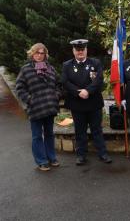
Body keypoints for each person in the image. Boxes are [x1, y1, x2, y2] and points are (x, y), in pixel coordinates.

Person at [61, 39, 112, 165]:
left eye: (82, 50)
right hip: (77, 103)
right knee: (80, 131)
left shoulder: (95, 63)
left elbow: (99, 80)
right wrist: (78, 92)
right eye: (77, 50)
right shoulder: (67, 65)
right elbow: (65, 82)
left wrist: (87, 91)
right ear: (73, 51)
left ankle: (103, 153)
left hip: (93, 103)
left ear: (86, 50)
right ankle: (81, 155)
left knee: (97, 130)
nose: (80, 52)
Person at [16, 43, 62, 171]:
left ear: (45, 55)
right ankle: (41, 161)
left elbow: (59, 85)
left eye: (42, 53)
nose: (39, 55)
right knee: (37, 136)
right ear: (32, 53)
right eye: (37, 53)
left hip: (49, 106)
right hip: (36, 108)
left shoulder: (50, 68)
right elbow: (19, 88)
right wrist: (29, 99)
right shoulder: (26, 70)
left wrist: (56, 95)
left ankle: (51, 158)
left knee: (49, 134)